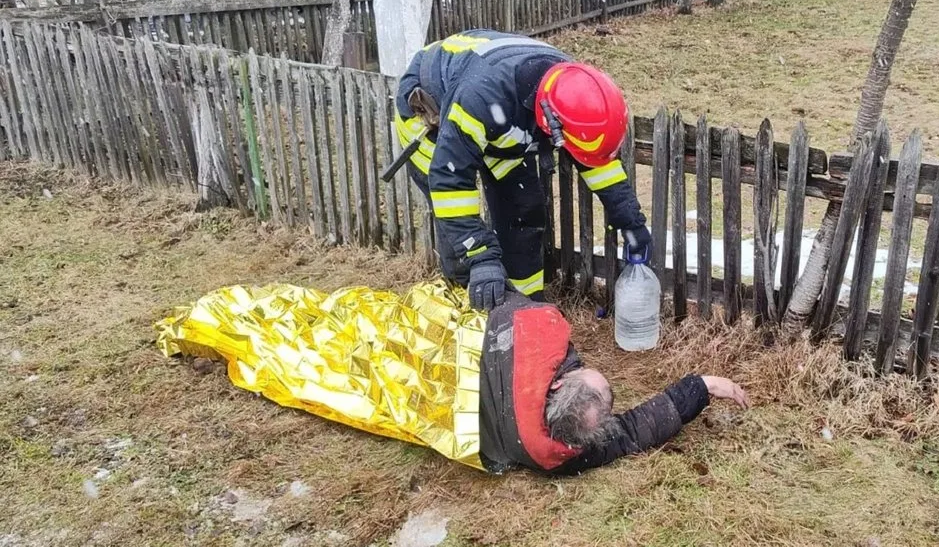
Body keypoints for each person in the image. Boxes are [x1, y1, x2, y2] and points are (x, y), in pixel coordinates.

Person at [157, 281, 748, 475]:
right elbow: (639, 430)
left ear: (562, 392)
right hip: (461, 381)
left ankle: (228, 319)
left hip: (459, 375)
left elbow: (513, 311)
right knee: (356, 343)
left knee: (350, 352)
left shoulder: (540, 348)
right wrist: (702, 387)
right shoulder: (553, 454)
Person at [393, 29, 652, 311]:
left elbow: (598, 163)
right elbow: (449, 180)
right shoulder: (482, 97)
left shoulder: (569, 90)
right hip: (429, 109)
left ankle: (527, 306)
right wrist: (480, 257)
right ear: (550, 120)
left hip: (501, 121)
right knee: (457, 234)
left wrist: (631, 222)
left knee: (523, 212)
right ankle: (467, 314)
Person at [480, 291, 748, 475]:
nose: (580, 363)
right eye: (581, 368)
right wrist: (702, 386)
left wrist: (700, 388)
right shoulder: (558, 457)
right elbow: (631, 432)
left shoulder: (528, 331)